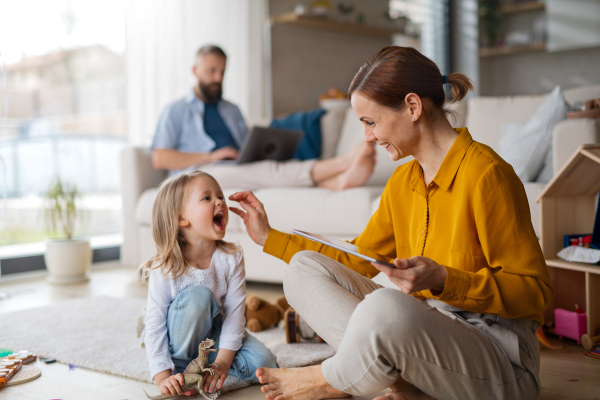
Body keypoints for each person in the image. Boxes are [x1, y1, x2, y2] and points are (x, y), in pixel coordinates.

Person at [227, 46, 554, 400]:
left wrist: (444, 278)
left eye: (371, 122)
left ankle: (331, 380)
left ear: (413, 107)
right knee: (303, 271)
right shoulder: (402, 182)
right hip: (426, 340)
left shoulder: (488, 175)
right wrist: (269, 237)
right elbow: (356, 259)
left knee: (387, 308)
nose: (368, 137)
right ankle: (406, 383)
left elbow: (536, 294)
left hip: (499, 361)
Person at [151, 44, 376, 191]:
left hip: (235, 169)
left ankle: (335, 183)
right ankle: (342, 163)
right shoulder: (177, 110)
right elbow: (160, 158)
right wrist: (211, 156)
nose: (218, 78)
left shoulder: (231, 110)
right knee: (267, 172)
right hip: (195, 177)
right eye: (211, 71)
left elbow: (244, 147)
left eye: (222, 72)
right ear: (195, 71)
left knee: (270, 166)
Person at [139, 171, 277, 397]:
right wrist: (162, 376)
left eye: (220, 196)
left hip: (215, 332)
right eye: (207, 198)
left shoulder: (232, 257)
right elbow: (156, 324)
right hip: (180, 334)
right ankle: (182, 365)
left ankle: (205, 364)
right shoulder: (165, 266)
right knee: (199, 297)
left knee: (265, 363)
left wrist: (223, 361)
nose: (220, 201)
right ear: (181, 218)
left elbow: (234, 313)